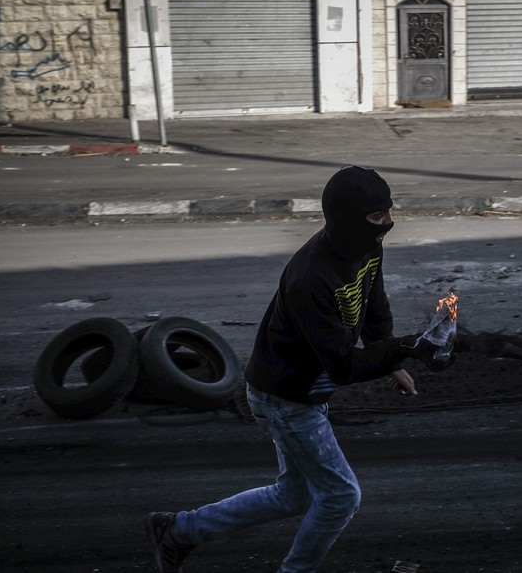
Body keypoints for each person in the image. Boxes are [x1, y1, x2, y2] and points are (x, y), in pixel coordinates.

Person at [144, 166, 453, 573]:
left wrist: (391, 357)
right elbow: (342, 366)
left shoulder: (367, 246)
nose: (388, 223)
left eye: (388, 212)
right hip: (285, 397)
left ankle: (177, 531)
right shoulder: (311, 278)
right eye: (377, 216)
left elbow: (375, 305)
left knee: (294, 496)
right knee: (342, 496)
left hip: (305, 391)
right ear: (345, 219)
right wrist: (407, 348)